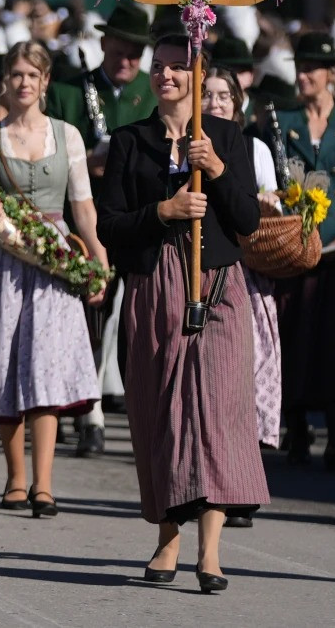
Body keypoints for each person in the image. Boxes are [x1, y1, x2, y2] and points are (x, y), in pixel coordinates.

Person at [96, 34, 266, 591]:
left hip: (216, 284)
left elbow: (247, 220)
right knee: (161, 409)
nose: (167, 76)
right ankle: (167, 536)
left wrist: (215, 169)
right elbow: (110, 226)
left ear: (199, 73)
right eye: (159, 67)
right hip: (154, 283)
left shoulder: (227, 137)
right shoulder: (129, 141)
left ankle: (210, 551)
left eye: (178, 67)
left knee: (219, 412)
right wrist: (162, 210)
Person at [0, 41, 107, 516]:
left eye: (33, 75)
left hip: (55, 256)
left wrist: (98, 253)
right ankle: (14, 477)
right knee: (7, 361)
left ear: (46, 82)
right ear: (6, 80)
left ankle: (43, 483)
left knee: (45, 365)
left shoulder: (67, 137)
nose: (24, 82)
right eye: (16, 74)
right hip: (4, 259)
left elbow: (82, 205)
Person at [47, 2, 156, 457]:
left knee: (119, 319)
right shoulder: (71, 92)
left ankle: (102, 406)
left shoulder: (153, 92)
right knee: (77, 317)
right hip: (79, 220)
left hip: (135, 221)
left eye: (135, 50)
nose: (126, 58)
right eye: (119, 46)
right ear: (104, 42)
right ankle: (76, 406)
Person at [270, 32, 335, 468]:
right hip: (293, 248)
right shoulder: (279, 119)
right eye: (299, 65)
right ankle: (294, 426)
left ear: (332, 74)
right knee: (291, 334)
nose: (303, 74)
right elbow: (271, 180)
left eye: (312, 67)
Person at [200, 64, 282, 530]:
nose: (215, 104)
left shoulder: (253, 148)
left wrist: (274, 205)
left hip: (246, 275)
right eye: (207, 95)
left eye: (223, 96)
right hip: (203, 267)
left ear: (238, 103)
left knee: (246, 382)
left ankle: (241, 484)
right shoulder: (189, 143)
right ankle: (211, 479)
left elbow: (266, 207)